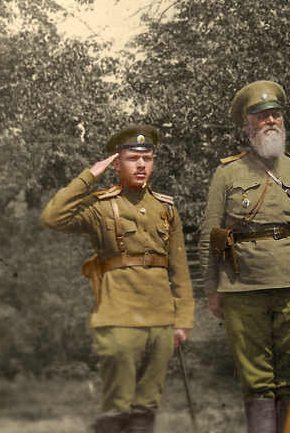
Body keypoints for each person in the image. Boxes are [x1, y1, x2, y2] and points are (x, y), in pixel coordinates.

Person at [40, 125, 194, 433]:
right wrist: (89, 175)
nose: (141, 165)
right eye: (132, 158)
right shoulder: (100, 206)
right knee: (116, 409)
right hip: (119, 318)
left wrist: (183, 319)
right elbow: (52, 217)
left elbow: (179, 268)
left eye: (147, 158)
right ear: (116, 164)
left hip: (161, 319)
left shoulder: (166, 208)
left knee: (146, 408)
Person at [198, 80, 290, 433]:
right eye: (261, 117)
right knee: (256, 382)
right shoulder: (227, 173)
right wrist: (212, 290)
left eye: (276, 115)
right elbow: (210, 234)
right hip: (242, 291)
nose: (271, 121)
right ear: (247, 126)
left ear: (283, 121)